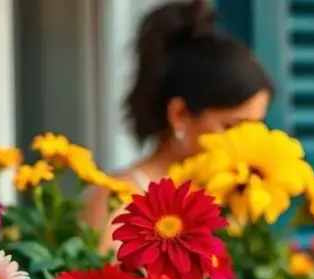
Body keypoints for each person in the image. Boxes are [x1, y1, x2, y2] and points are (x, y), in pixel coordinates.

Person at [83, 0, 272, 245]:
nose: (246, 142)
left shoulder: (226, 200)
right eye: (232, 127)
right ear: (180, 114)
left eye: (256, 126)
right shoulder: (118, 201)